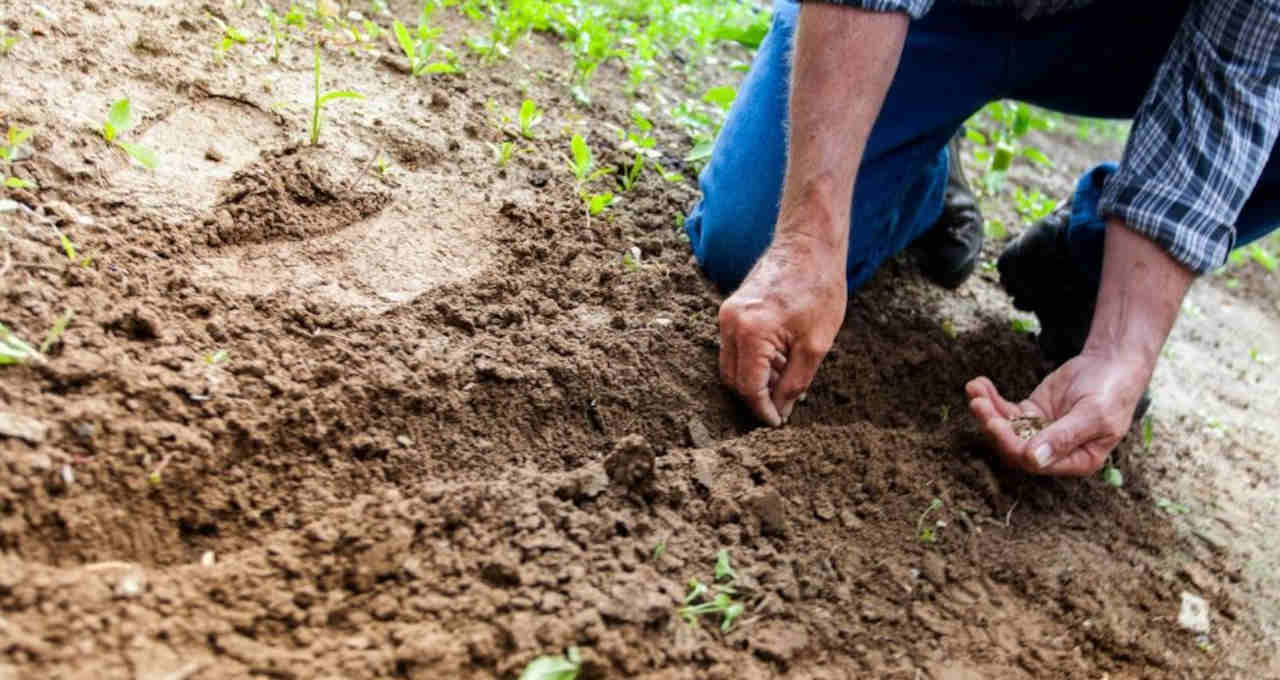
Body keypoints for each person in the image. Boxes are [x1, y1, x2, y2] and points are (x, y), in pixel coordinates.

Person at [684, 0, 1279, 476]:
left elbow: (1238, 78)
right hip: (939, 15)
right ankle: (918, 174)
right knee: (750, 240)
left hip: (1133, 29)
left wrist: (1121, 349)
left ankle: (1088, 265)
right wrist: (806, 241)